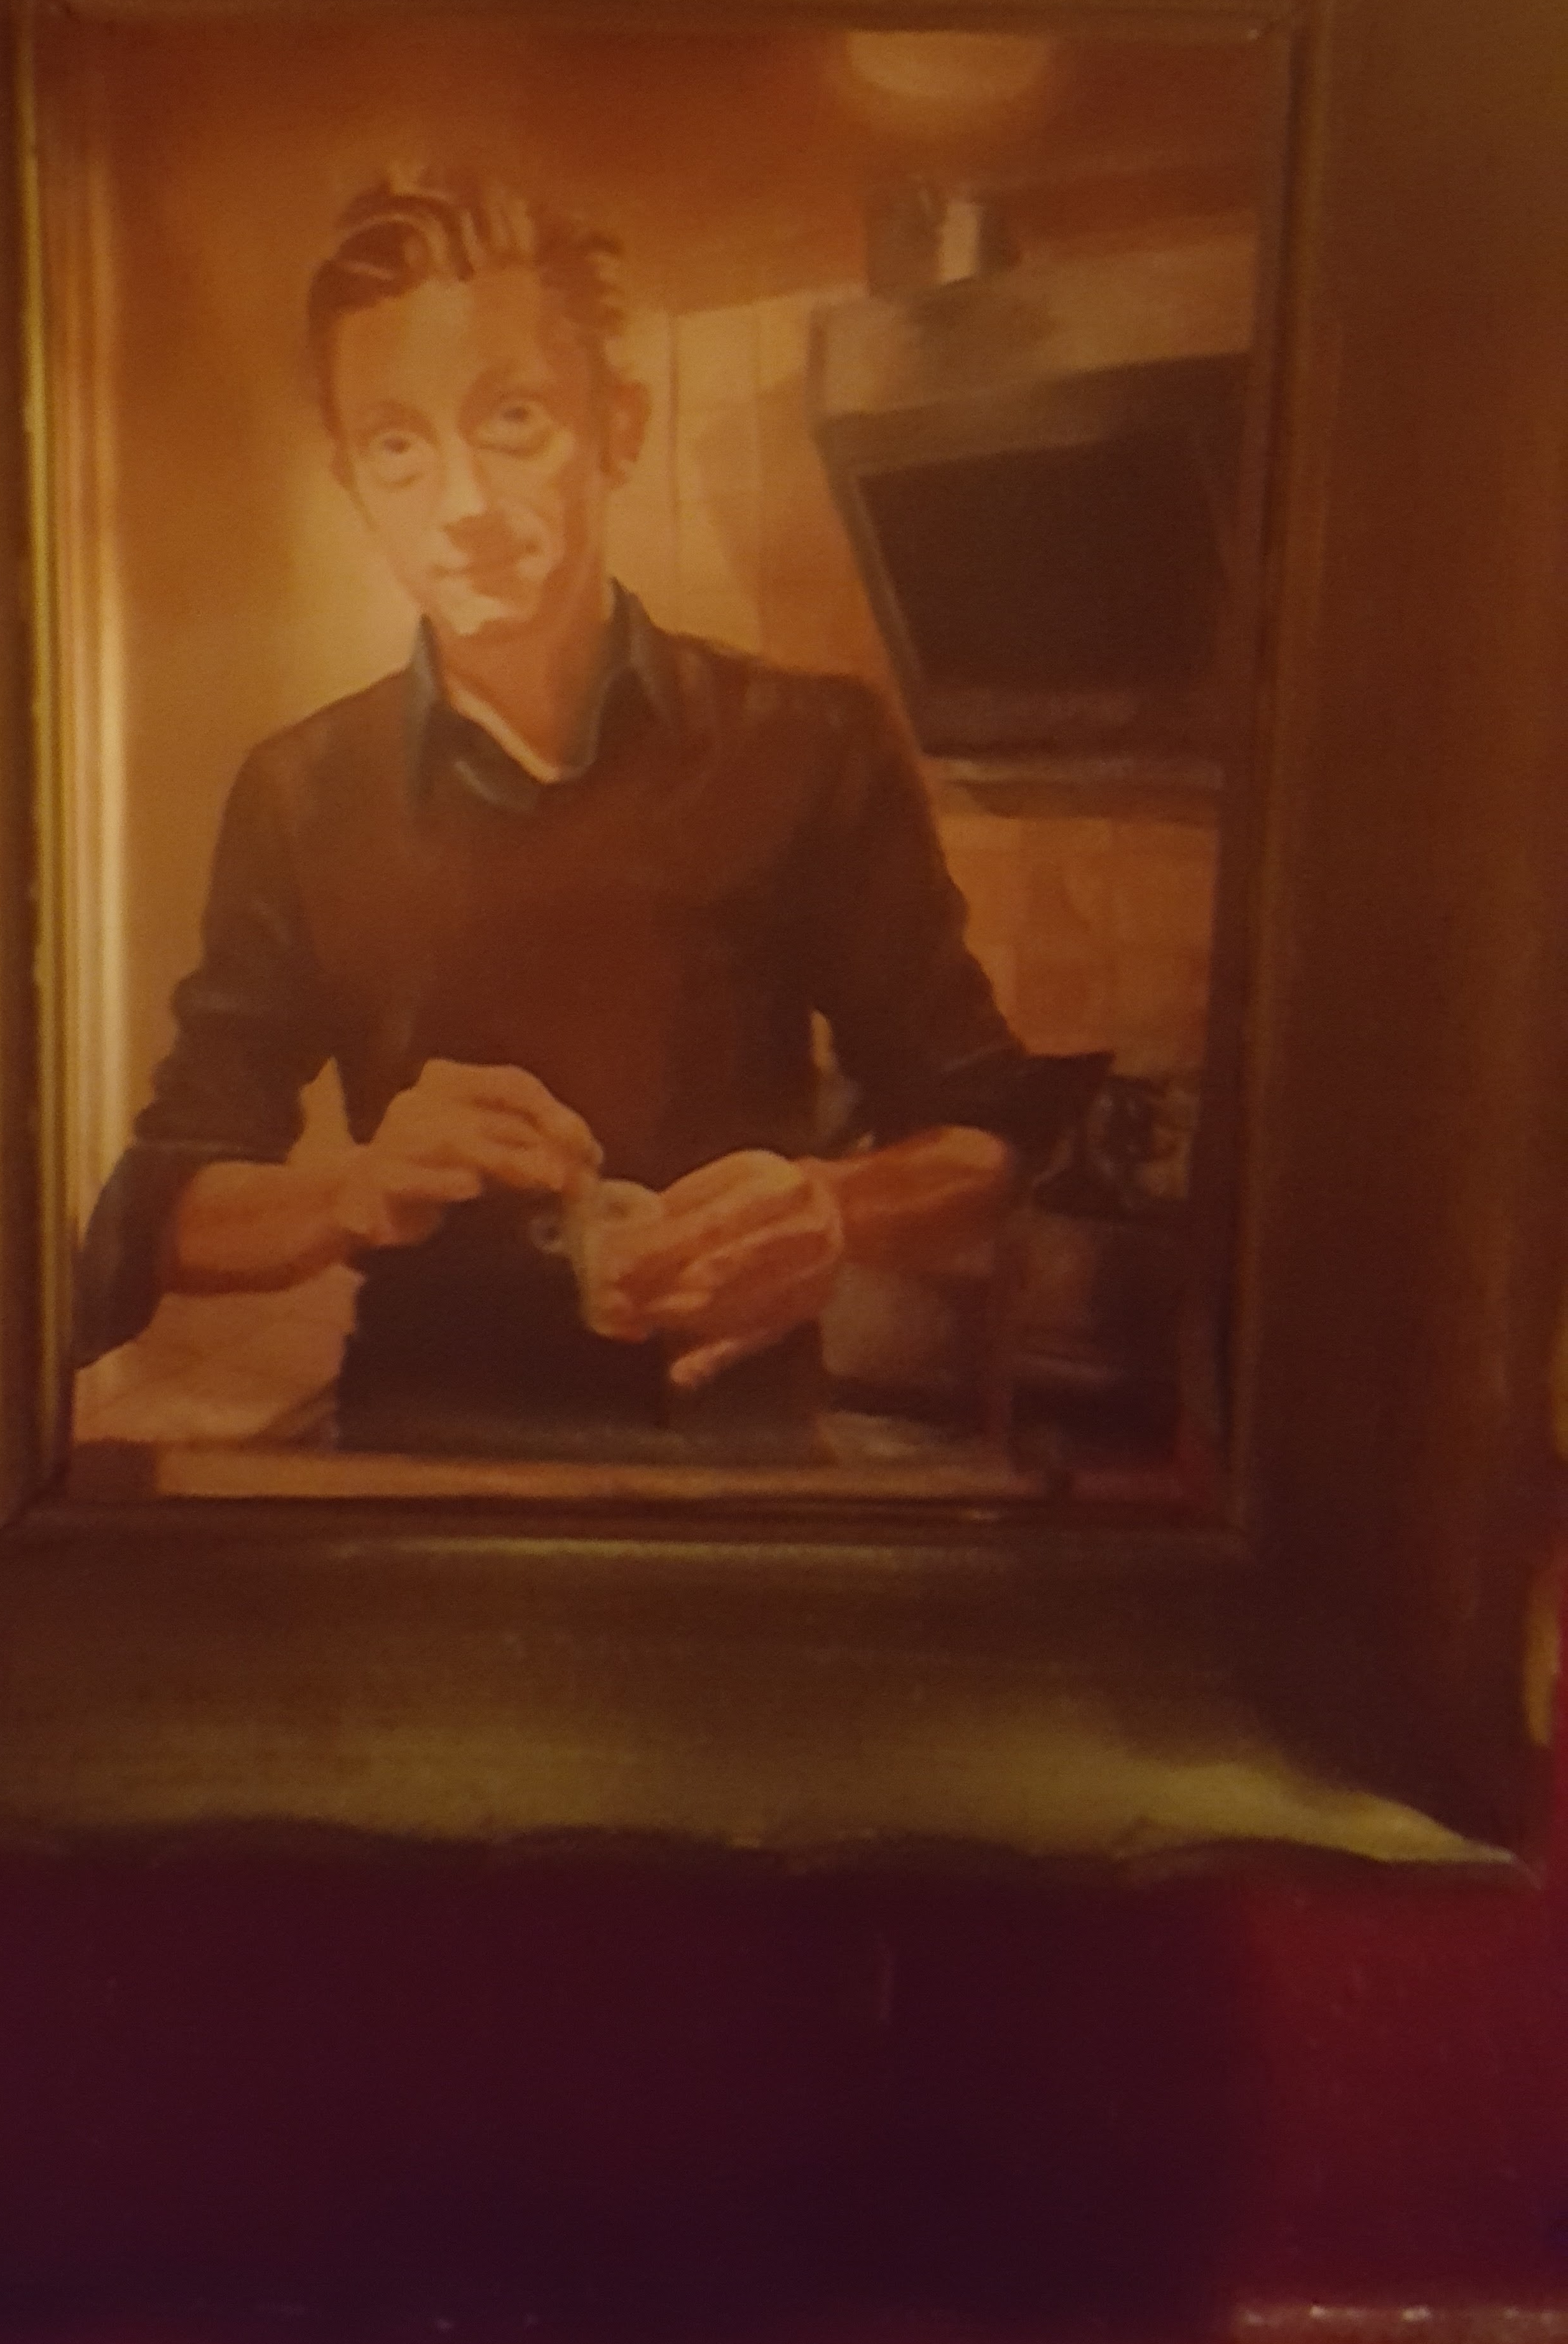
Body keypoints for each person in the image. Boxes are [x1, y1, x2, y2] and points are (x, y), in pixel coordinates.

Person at [74, 168, 1078, 1458]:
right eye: (397, 445)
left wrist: (833, 1208)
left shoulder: (811, 744)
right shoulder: (296, 792)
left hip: (738, 1473)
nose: (463, 507)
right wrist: (351, 1192)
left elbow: (991, 1133)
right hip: (415, 1473)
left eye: (512, 419)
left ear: (618, 428)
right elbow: (163, 1203)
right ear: (351, 479)